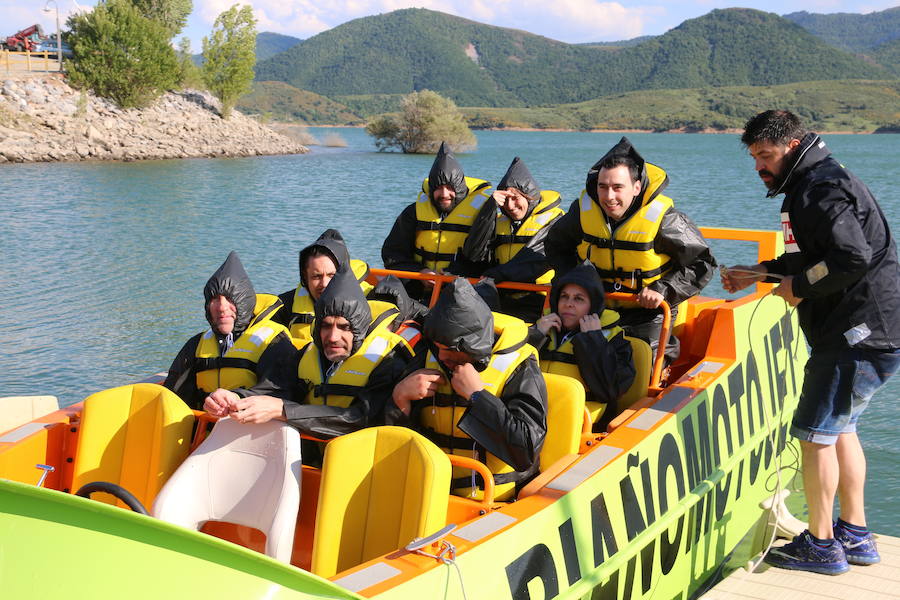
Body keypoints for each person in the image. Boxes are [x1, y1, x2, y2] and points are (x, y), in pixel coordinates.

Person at [721, 110, 900, 575]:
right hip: (873, 332)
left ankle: (821, 545)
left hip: (855, 334)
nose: (760, 166)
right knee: (841, 429)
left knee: (816, 434)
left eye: (766, 155)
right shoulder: (815, 183)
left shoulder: (819, 188)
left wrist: (797, 288)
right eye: (755, 157)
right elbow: (809, 255)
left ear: (794, 144)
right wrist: (759, 273)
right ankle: (855, 532)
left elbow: (851, 256)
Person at [204, 265, 412, 460]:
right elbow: (276, 389)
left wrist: (285, 411)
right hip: (308, 461)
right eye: (326, 326)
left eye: (344, 327)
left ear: (360, 329)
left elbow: (361, 418)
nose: (332, 336)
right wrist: (235, 397)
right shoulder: (307, 354)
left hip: (360, 465)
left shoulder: (388, 360)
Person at [546, 137, 716, 365]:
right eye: (602, 187)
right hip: (596, 306)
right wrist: (574, 284)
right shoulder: (582, 212)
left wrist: (662, 290)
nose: (609, 197)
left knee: (641, 365)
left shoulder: (666, 219)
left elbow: (701, 264)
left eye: (618, 188)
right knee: (564, 356)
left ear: (636, 187)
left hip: (647, 313)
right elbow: (556, 245)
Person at [386, 278, 548, 501]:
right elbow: (393, 446)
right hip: (431, 491)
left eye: (451, 350)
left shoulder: (520, 366)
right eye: (439, 348)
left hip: (498, 499)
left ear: (473, 345)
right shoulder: (429, 355)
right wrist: (400, 398)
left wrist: (478, 397)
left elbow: (526, 451)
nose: (442, 357)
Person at [164, 251, 297, 410]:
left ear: (244, 302)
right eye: (214, 299)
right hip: (207, 427)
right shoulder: (196, 345)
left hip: (254, 429)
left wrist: (236, 397)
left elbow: (282, 389)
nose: (221, 307)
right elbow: (173, 393)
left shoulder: (274, 341)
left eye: (230, 299)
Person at [381, 142, 493, 299]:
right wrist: (420, 272)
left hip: (462, 292)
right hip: (418, 288)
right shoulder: (413, 213)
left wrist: (449, 275)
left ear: (460, 188)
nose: (444, 193)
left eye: (450, 187)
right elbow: (393, 254)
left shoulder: (481, 215)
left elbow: (483, 258)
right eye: (438, 188)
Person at [530, 261, 635, 428]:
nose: (568, 303)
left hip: (583, 423)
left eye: (579, 299)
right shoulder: (541, 328)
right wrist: (535, 335)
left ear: (593, 306)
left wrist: (593, 340)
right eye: (564, 296)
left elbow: (610, 389)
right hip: (532, 414)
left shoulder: (614, 339)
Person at [481, 157, 565, 323]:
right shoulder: (498, 221)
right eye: (506, 199)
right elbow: (474, 252)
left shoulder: (555, 221)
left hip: (539, 300)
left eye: (516, 198)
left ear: (529, 196)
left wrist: (496, 274)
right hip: (501, 295)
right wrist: (488, 210)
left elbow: (537, 259)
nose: (510, 206)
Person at [272, 229, 371, 348]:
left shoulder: (369, 300)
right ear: (305, 277)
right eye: (316, 276)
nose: (324, 283)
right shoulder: (284, 306)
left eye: (332, 276)